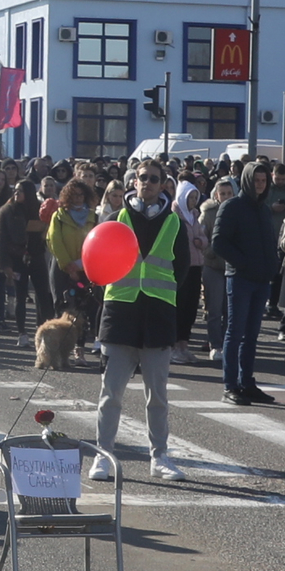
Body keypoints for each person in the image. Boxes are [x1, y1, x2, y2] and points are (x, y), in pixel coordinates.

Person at [92, 164, 190, 483]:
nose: (147, 183)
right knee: (111, 393)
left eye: (154, 179)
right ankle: (103, 455)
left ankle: (159, 456)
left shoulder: (175, 222)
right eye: (142, 178)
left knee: (157, 395)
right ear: (133, 182)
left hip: (159, 316)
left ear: (163, 185)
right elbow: (99, 260)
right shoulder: (115, 219)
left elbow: (182, 269)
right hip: (120, 314)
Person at [212, 161, 282, 405]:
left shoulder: (263, 209)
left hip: (261, 280)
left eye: (264, 181)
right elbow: (219, 241)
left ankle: (247, 382)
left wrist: (272, 265)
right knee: (235, 331)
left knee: (252, 335)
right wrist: (242, 263)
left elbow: (269, 241)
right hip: (240, 278)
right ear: (247, 181)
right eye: (256, 181)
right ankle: (230, 385)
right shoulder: (232, 206)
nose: (260, 186)